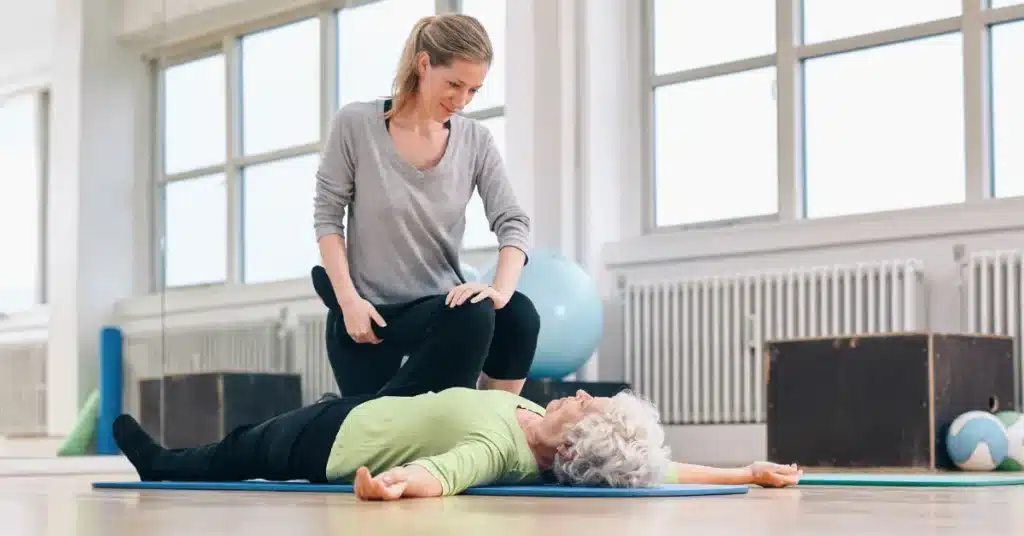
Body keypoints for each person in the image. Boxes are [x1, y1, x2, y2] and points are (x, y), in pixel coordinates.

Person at [312, 12, 538, 400]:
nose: (461, 100)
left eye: (473, 90)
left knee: (517, 314)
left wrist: (500, 290)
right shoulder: (356, 124)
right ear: (423, 64)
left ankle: (492, 425)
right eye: (454, 84)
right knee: (376, 428)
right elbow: (327, 216)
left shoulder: (475, 140)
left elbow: (512, 221)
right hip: (371, 313)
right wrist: (348, 302)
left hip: (440, 311)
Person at [111, 388, 803, 501]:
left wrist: (392, 488)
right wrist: (743, 469)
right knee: (235, 444)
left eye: (589, 409)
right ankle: (167, 456)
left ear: (573, 447)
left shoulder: (500, 446)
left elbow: (443, 474)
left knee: (231, 453)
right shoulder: (532, 416)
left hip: (323, 442)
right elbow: (654, 470)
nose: (584, 395)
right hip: (358, 411)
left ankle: (159, 460)